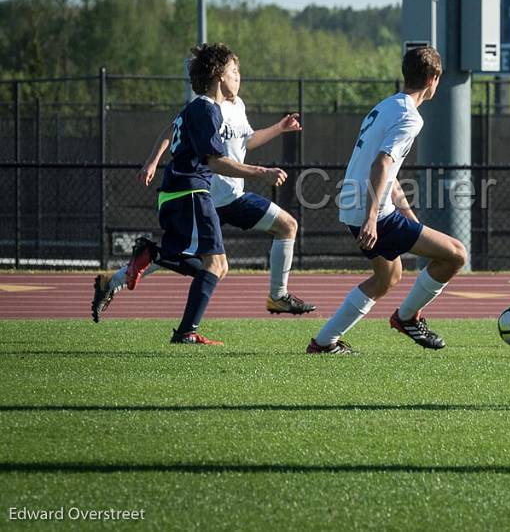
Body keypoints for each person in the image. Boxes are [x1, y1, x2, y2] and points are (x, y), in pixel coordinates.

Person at [91, 50, 315, 321]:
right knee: (197, 261)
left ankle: (278, 296)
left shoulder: (237, 105)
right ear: (220, 77)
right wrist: (152, 161)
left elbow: (247, 141)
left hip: (233, 197)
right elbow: (175, 130)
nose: (239, 77)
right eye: (234, 72)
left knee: (287, 226)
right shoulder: (206, 107)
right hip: (205, 196)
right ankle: (129, 288)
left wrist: (279, 128)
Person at [307, 45, 467, 354]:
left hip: (354, 204)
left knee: (388, 275)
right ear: (434, 78)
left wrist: (411, 220)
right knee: (456, 254)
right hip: (371, 211)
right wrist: (371, 218)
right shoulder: (410, 117)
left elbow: (389, 177)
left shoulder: (385, 106)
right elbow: (381, 163)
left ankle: (324, 343)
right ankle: (407, 318)